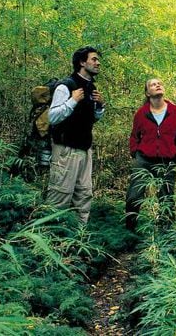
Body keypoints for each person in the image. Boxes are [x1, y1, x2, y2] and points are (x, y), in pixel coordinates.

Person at [47, 46, 105, 223]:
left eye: (98, 60)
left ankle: (79, 234)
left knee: (84, 195)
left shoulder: (91, 87)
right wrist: (72, 101)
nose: (98, 63)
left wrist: (100, 106)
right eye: (94, 59)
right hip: (65, 149)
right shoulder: (65, 86)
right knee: (60, 195)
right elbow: (52, 117)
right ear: (82, 62)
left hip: (85, 149)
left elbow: (91, 119)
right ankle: (50, 233)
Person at [126, 78, 176, 232]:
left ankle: (167, 233)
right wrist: (135, 152)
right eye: (153, 84)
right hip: (144, 160)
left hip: (167, 161)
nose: (158, 85)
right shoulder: (142, 113)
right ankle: (130, 231)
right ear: (148, 93)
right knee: (134, 196)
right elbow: (134, 136)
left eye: (159, 83)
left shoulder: (175, 112)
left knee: (166, 198)